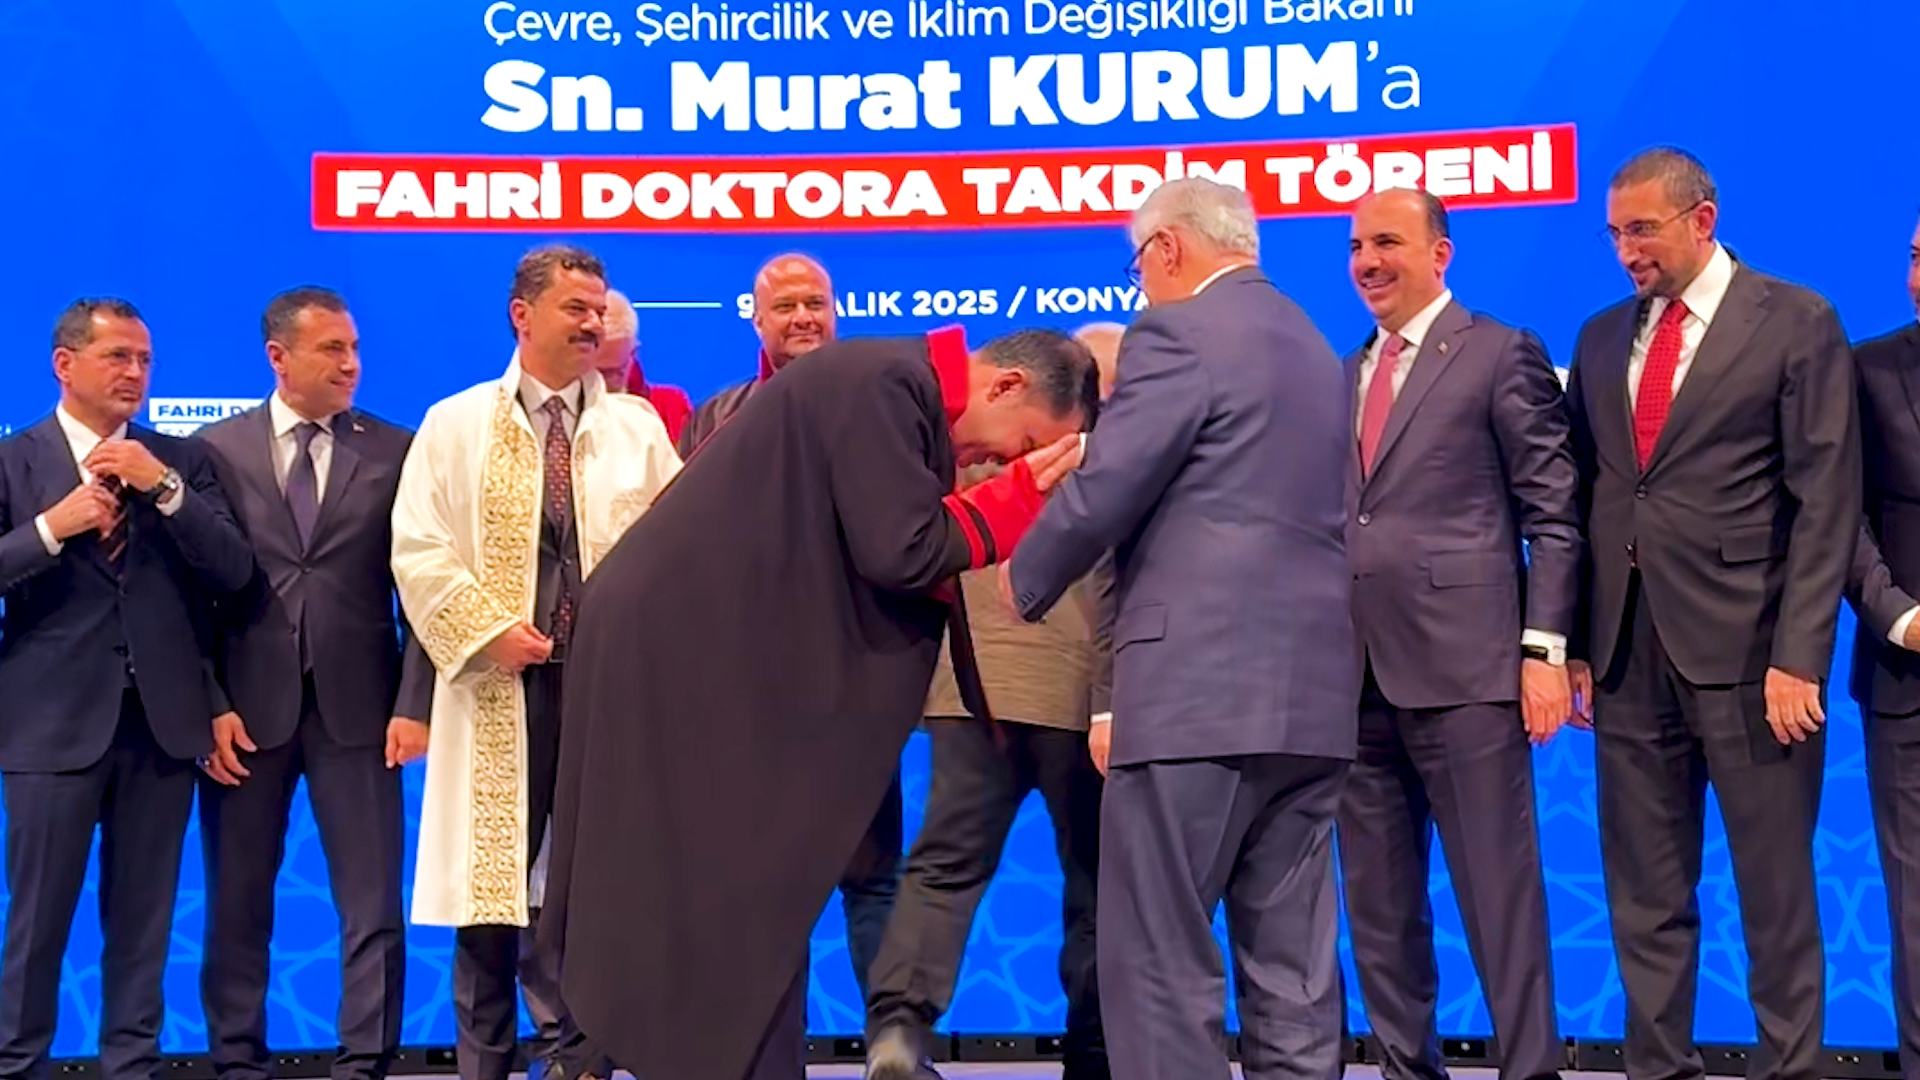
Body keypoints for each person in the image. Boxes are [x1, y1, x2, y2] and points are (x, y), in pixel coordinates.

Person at [546, 324, 1097, 1080]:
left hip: (703, 654)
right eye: (1021, 444)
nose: (999, 463)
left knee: (753, 899)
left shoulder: (888, 383)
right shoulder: (887, 384)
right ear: (1006, 385)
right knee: (713, 890)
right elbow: (900, 549)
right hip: (681, 657)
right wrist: (1013, 503)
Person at [1004, 177, 1357, 1080]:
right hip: (1313, 699)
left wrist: (1022, 578)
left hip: (1195, 697)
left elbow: (1113, 486)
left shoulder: (1176, 333)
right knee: (1294, 970)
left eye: (1139, 266)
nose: (1141, 286)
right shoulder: (1315, 344)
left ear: (1168, 248)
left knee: (1158, 958)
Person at [1565, 147, 1857, 1080]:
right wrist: (1573, 645)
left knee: (1775, 897)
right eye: (1615, 234)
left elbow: (1826, 502)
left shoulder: (1797, 320)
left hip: (1754, 657)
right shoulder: (1601, 338)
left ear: (1703, 219)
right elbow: (1586, 500)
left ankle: (1791, 1070)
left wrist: (1800, 655)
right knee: (1643, 898)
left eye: (1642, 230)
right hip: (1626, 655)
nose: (1626, 252)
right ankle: (1658, 1070)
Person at [390, 244, 682, 1080]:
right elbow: (417, 546)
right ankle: (484, 1064)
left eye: (599, 309)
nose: (593, 323)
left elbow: (677, 550)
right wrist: (486, 628)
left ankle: (582, 1060)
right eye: (575, 308)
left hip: (606, 694)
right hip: (497, 687)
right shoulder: (454, 424)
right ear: (522, 315)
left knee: (600, 889)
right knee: (490, 895)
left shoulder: (637, 428)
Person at [1336, 188, 1575, 1080]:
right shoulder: (1344, 371)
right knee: (1378, 910)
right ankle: (1408, 1071)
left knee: (1498, 897)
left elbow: (1554, 515)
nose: (1367, 261)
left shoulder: (1500, 352)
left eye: (1387, 242)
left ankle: (1531, 1070)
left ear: (1441, 253)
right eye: (1356, 245)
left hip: (1470, 673)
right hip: (1353, 681)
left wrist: (1543, 650)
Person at [0, 298, 254, 1080]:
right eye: (118, 357)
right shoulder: (14, 462)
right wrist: (51, 528)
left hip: (160, 724)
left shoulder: (181, 461)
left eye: (144, 360)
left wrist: (166, 488)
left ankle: (132, 1066)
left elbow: (232, 572)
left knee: (143, 922)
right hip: (49, 725)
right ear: (64, 364)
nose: (136, 374)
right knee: (36, 922)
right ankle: (16, 1063)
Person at [193, 287, 435, 1080]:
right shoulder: (214, 451)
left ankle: (365, 1062)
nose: (351, 364)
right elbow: (188, 596)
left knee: (372, 906)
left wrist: (415, 703)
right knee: (237, 901)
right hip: (245, 715)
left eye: (354, 348)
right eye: (332, 349)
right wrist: (210, 704)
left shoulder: (396, 449)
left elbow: (423, 588)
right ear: (278, 357)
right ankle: (237, 1061)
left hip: (362, 710)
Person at [862, 340, 1121, 1078]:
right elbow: (1122, 588)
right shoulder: (1114, 459)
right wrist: (1113, 701)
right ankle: (1095, 1054)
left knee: (944, 868)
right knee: (1098, 885)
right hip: (1080, 695)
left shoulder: (956, 440)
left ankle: (898, 1029)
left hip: (972, 690)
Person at [677, 251, 907, 1013]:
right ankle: (769, 1057)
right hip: (755, 696)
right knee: (768, 890)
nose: (804, 317)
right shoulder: (717, 418)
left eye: (816, 303)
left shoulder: (881, 403)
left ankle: (894, 1052)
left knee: (875, 880)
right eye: (786, 306)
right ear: (757, 320)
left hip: (860, 685)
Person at [1846, 209, 1920, 1080]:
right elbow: (1840, 517)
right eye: (1914, 257)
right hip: (1908, 679)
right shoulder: (1866, 371)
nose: (1917, 278)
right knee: (1916, 912)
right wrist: (1898, 614)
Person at [592, 288, 693, 445]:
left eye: (616, 372)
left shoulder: (671, 409)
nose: (604, 383)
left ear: (633, 354)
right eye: (596, 372)